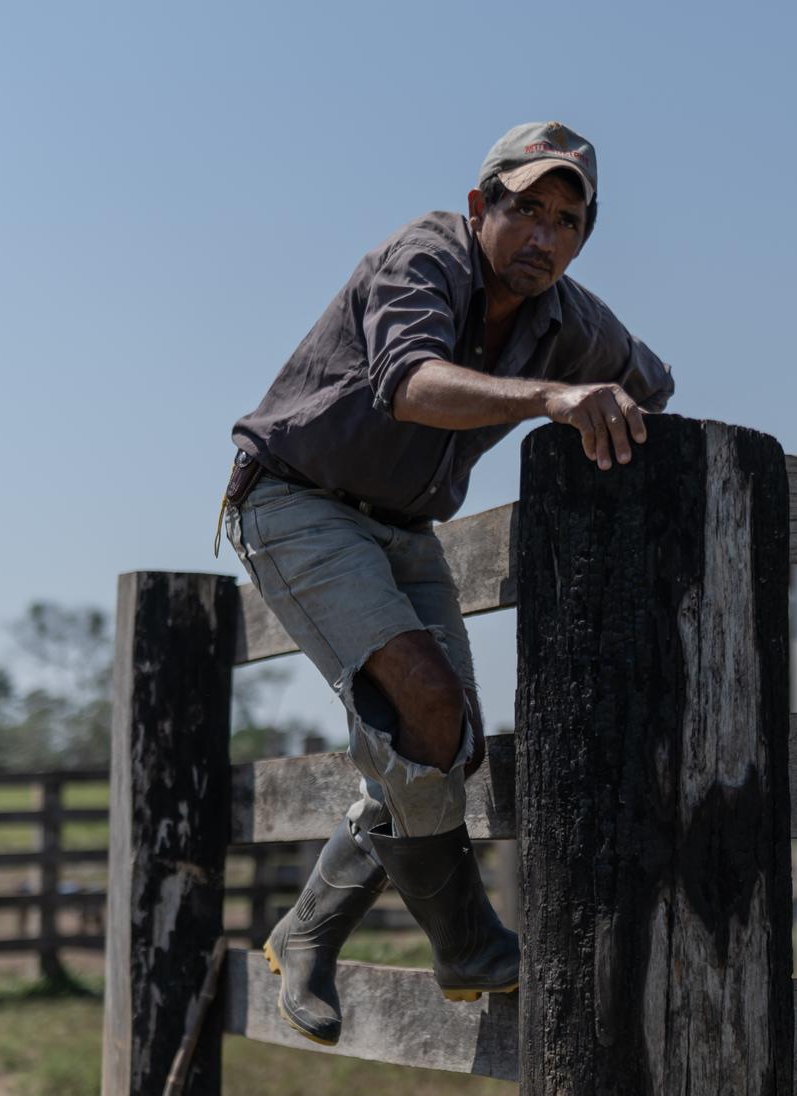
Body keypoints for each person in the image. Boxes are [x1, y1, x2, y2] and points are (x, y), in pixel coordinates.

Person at [220, 121, 674, 1045]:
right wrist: (553, 399)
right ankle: (466, 941)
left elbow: (652, 387)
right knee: (426, 708)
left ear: (585, 237)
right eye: (525, 212)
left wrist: (614, 413)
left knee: (451, 745)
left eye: (567, 221)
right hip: (296, 503)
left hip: (405, 527)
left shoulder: (571, 320)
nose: (543, 237)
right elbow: (410, 382)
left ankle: (308, 928)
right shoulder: (423, 255)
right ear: (482, 207)